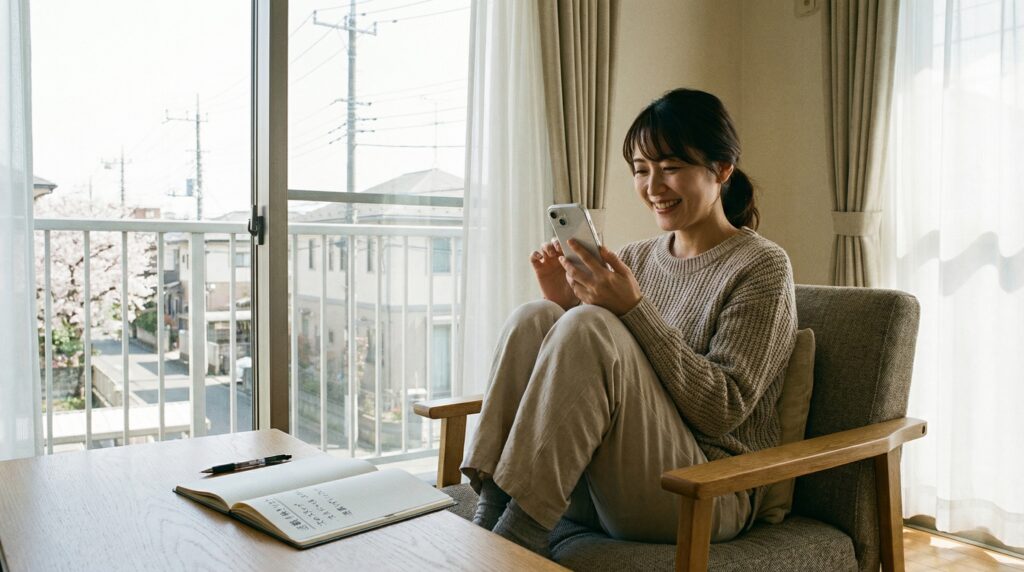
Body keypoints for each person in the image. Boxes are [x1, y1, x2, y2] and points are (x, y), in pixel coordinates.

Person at [460, 88, 797, 557]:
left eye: (671, 167)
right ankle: (491, 511)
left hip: (706, 489)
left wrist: (633, 310)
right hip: (605, 481)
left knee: (589, 326)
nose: (653, 186)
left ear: (722, 169)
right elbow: (596, 377)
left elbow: (722, 411)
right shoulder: (636, 258)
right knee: (535, 316)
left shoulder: (761, 266)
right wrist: (563, 304)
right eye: (641, 170)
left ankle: (516, 541)